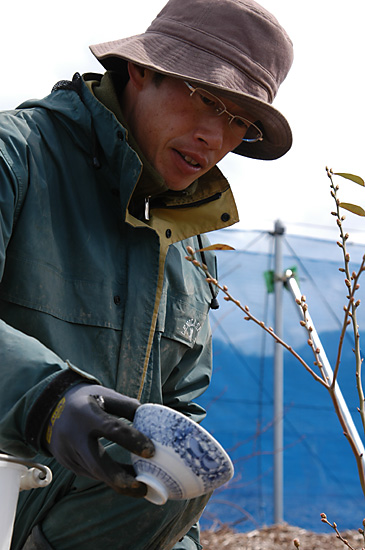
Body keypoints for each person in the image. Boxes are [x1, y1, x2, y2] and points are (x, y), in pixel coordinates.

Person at [0, 0, 293, 548]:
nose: (216, 137)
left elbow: (172, 461)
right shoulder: (15, 156)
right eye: (208, 98)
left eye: (242, 122)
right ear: (141, 69)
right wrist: (46, 398)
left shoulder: (188, 245)